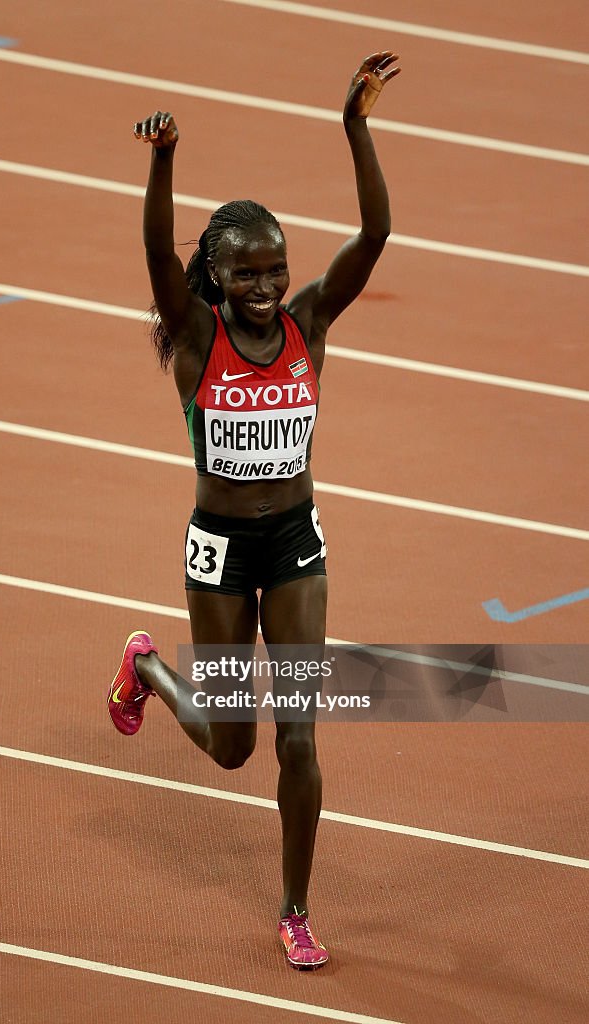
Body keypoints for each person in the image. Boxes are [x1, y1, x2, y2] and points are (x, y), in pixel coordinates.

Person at [107, 52, 401, 970]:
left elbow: (376, 235)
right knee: (234, 746)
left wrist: (355, 128)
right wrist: (163, 163)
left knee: (299, 736)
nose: (270, 283)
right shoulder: (198, 339)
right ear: (219, 280)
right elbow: (159, 255)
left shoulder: (312, 322)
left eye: (278, 267)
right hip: (221, 552)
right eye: (250, 272)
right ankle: (147, 667)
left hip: (294, 544)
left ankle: (295, 909)